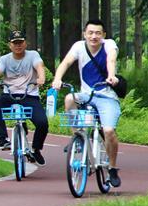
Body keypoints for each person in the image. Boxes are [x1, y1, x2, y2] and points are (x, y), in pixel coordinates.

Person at [51, 18, 122, 187]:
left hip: (107, 96)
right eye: (90, 33)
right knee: (69, 98)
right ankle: (77, 136)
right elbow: (65, 63)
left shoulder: (109, 45)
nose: (94, 36)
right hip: (86, 95)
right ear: (85, 34)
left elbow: (110, 60)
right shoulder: (78, 46)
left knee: (109, 131)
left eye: (98, 33)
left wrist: (111, 76)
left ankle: (112, 168)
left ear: (103, 35)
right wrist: (57, 79)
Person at [0, 29, 48, 166]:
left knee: (42, 123)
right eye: (15, 43)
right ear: (10, 45)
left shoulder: (33, 55)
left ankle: (36, 148)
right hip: (9, 94)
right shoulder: (4, 59)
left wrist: (41, 78)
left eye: (20, 42)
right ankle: (3, 139)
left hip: (29, 95)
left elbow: (39, 67)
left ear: (25, 43)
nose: (18, 45)